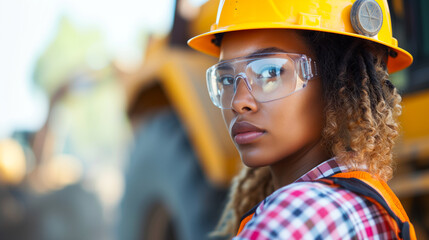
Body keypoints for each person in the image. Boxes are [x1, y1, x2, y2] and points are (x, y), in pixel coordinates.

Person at [188, 0, 417, 239]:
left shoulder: (301, 214)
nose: (238, 101)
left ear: (340, 80)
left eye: (270, 73)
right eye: (226, 80)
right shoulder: (365, 202)